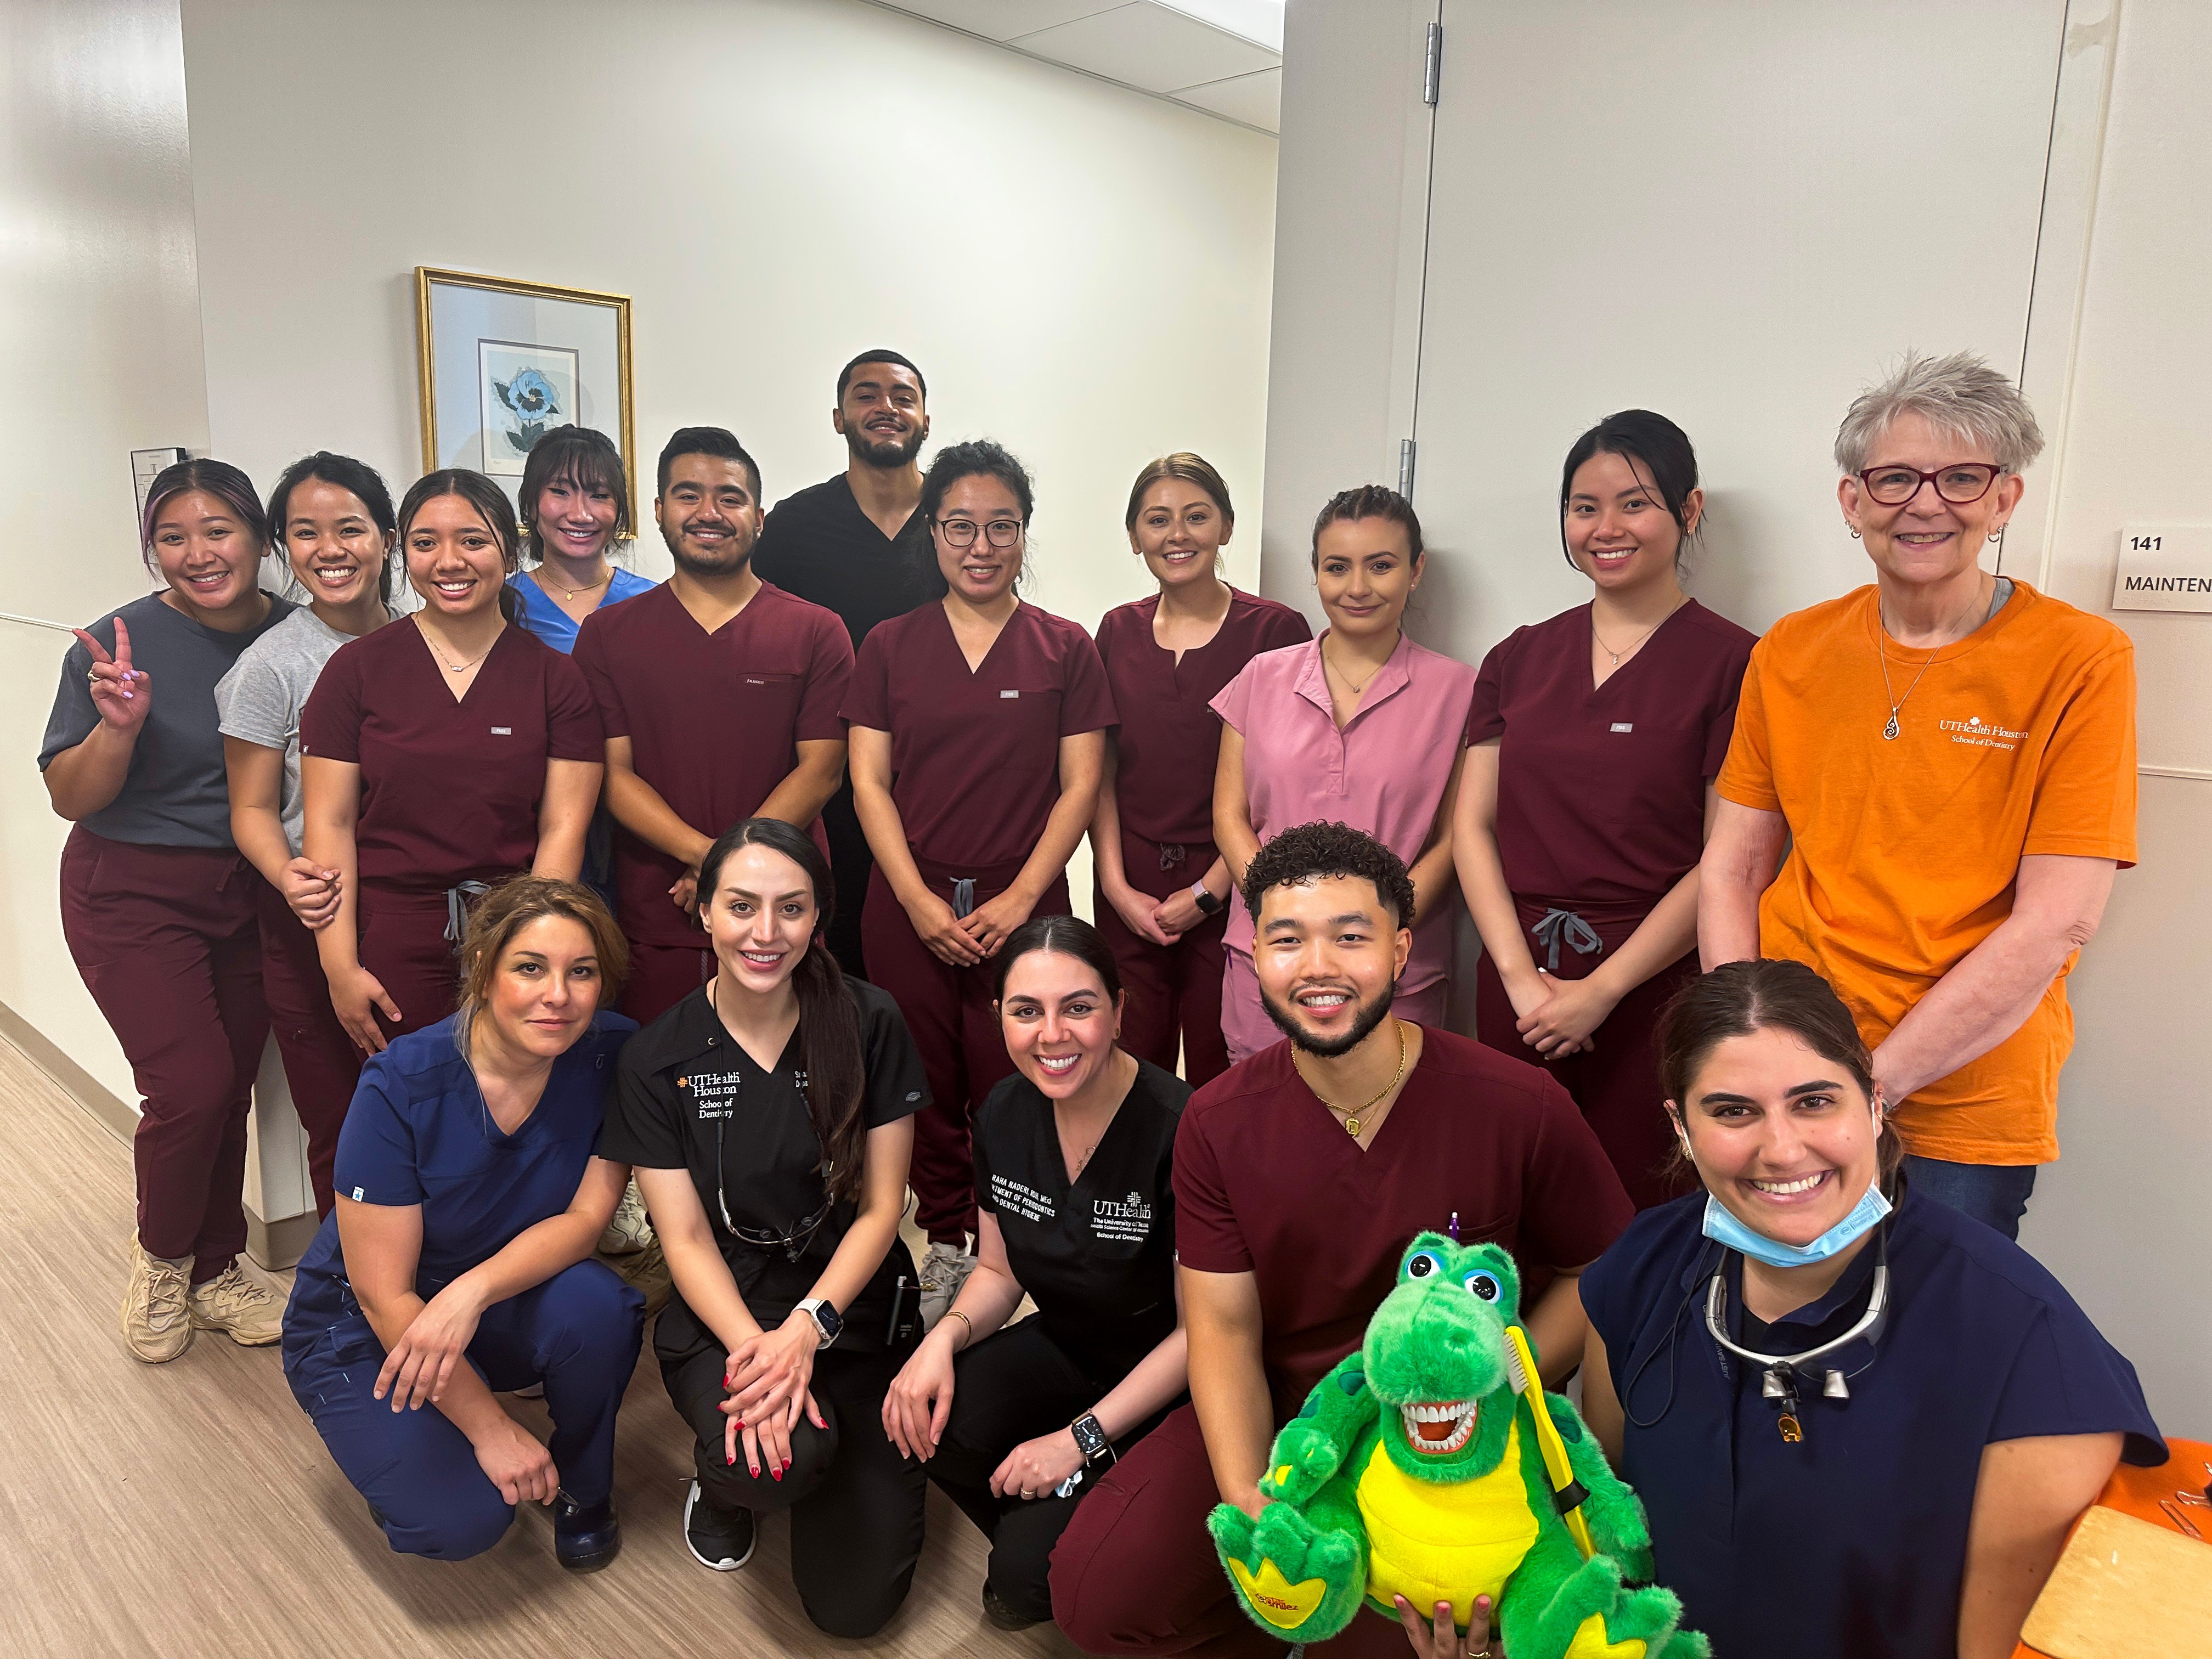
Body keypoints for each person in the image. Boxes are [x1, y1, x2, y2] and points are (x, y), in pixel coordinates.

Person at [1049, 822, 1634, 1658]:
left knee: (1430, 1638)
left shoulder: (1518, 1105)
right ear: (1253, 957)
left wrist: (1499, 1386)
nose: (1318, 966)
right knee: (1101, 1588)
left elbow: (1599, 1266)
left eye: (1350, 937)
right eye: (1287, 940)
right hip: (1293, 1413)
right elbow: (1221, 1328)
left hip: (1452, 1441)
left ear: (1401, 951)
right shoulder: (1216, 1121)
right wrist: (1256, 1500)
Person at [1580, 958, 2163, 1659]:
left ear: (1875, 1103)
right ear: (1681, 1126)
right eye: (1733, 1111)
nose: (1782, 1148)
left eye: (1816, 1102)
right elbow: (1611, 1529)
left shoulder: (2025, 1349)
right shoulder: (1642, 1270)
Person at [1701, 352, 2137, 1239]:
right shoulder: (1789, 650)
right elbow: (1733, 865)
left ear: (2003, 498)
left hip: (1962, 1107)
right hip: (1784, 1071)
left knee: (1932, 1367)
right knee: (1771, 1345)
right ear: (1853, 500)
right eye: (1895, 476)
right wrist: (1745, 1052)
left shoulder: (2079, 659)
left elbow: (2056, 919)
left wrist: (1866, 1087)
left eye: (1960, 477)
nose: (1924, 502)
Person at [599, 819, 928, 1638]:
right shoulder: (658, 1058)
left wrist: (807, 1333)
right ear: (703, 911)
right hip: (729, 1318)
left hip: (848, 1309)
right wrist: (762, 1351)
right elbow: (683, 1239)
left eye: (792, 909)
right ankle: (724, 1484)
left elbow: (884, 1206)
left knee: (852, 1610)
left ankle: (825, 1437)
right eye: (741, 906)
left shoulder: (869, 1020)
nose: (765, 933)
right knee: (774, 1465)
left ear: (819, 919)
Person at [279, 876, 644, 1568]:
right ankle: (407, 1442)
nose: (558, 996)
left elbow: (588, 1217)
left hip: (486, 1299)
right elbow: (385, 1297)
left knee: (600, 1307)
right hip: (366, 1325)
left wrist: (468, 1294)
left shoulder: (610, 1054)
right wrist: (491, 1427)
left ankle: (585, 1490)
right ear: (483, 969)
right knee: (461, 1522)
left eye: (583, 972)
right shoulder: (401, 1084)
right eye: (530, 968)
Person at [844, 439, 1116, 1323]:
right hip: (909, 903)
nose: (982, 544)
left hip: (1025, 906)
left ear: (1025, 533)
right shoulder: (887, 646)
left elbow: (1080, 786)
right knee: (922, 1080)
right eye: (960, 524)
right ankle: (955, 1245)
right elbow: (868, 784)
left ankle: (1035, 1237)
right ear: (933, 533)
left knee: (1029, 1073)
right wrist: (920, 902)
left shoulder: (1064, 648)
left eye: (1003, 525)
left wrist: (1019, 899)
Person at [1455, 413, 1755, 1210]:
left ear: (1689, 512)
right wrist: (1522, 981)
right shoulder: (1516, 657)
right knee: (1512, 1196)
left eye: (1634, 503)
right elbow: (1470, 829)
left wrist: (1601, 990)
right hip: (1517, 977)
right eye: (1584, 507)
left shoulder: (1737, 664)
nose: (1606, 528)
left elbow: (1727, 858)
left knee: (1641, 1206)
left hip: (1654, 983)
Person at [42, 456, 296, 1363]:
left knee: (228, 1088)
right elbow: (71, 797)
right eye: (173, 537)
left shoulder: (301, 633)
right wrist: (118, 725)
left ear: (259, 537)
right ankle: (162, 1261)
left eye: (217, 530)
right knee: (188, 1085)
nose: (198, 553)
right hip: (132, 889)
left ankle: (218, 1267)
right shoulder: (115, 643)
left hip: (251, 891)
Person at [883, 916, 1190, 1632]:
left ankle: (1085, 1520)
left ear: (1118, 1010)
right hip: (1066, 1344)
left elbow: (1202, 1336)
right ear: (1001, 1019)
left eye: (1078, 1008)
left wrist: (1077, 1440)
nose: (1052, 1035)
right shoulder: (1002, 1112)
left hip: (1169, 1384)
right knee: (923, 1419)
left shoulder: (1183, 1128)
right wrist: (941, 1342)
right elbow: (997, 1271)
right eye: (1027, 1012)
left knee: (1024, 1588)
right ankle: (1073, 1515)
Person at [299, 469, 603, 1057]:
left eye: (472, 540)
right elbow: (330, 828)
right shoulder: (355, 671)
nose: (449, 561)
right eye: (425, 543)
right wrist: (339, 967)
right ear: (400, 551)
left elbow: (564, 828)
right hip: (391, 931)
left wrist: (530, 949)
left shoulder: (554, 678)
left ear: (510, 553)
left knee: (511, 1109)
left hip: (513, 923)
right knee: (408, 1114)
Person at [573, 427, 854, 1025]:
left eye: (729, 498)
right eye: (687, 495)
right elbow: (612, 777)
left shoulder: (816, 630)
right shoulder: (607, 635)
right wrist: (715, 860)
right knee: (657, 1102)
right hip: (656, 919)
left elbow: (823, 770)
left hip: (782, 921)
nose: (709, 513)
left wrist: (724, 874)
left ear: (759, 515)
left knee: (791, 1100)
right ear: (656, 511)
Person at [1212, 486, 1474, 1064]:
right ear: (1316, 573)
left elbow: (1458, 838)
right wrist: (1282, 915)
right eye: (1338, 568)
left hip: (1395, 967)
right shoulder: (1261, 676)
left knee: (1390, 1134)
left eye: (1381, 566)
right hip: (1270, 959)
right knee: (1264, 1130)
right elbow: (1229, 815)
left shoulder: (1459, 691)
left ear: (1416, 570)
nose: (1358, 588)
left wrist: (1378, 923)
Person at [217, 452, 399, 1220]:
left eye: (350, 528)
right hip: (316, 921)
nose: (330, 550)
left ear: (386, 539)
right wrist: (287, 872)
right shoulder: (271, 668)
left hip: (416, 916)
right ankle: (351, 1311)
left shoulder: (432, 642)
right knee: (344, 1128)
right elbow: (252, 808)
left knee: (434, 1116)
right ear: (282, 547)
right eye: (305, 532)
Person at [1092, 455, 1308, 1087]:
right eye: (1157, 521)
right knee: (1129, 1066)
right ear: (1135, 537)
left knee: (1227, 1067)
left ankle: (1212, 1190)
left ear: (1228, 527)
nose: (1176, 535)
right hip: (1130, 882)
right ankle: (1141, 1191)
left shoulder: (1275, 630)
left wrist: (1211, 892)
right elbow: (1099, 769)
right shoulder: (1115, 630)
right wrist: (1111, 883)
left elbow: (1276, 782)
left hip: (1236, 882)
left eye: (1196, 517)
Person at [754, 349, 947, 977]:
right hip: (825, 774)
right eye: (867, 395)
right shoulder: (795, 525)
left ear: (926, 419)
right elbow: (765, 637)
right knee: (833, 957)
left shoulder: (955, 521)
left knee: (936, 952)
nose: (885, 408)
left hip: (935, 774)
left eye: (901, 396)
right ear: (839, 418)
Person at [504, 425, 654, 651]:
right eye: (560, 492)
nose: (580, 515)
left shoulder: (651, 601)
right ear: (530, 505)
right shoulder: (503, 602)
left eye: (599, 496)